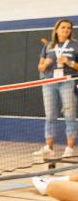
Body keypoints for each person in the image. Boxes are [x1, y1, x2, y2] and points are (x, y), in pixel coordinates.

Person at [35, 19, 78, 158]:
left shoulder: (75, 45)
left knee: (70, 115)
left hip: (68, 82)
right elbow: (40, 67)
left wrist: (69, 62)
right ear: (57, 29)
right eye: (63, 27)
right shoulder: (48, 45)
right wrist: (45, 64)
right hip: (49, 82)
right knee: (50, 115)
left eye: (69, 28)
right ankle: (49, 147)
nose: (66, 30)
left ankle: (70, 148)